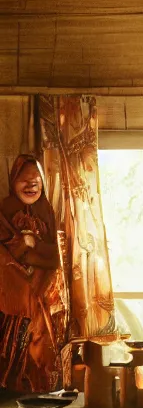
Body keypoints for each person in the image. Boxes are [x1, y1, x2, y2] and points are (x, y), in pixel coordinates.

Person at [0, 154, 63, 392]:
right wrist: (23, 251)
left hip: (42, 290)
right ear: (12, 180)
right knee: (12, 341)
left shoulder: (47, 211)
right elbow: (8, 251)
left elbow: (57, 255)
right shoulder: (5, 210)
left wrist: (32, 245)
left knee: (40, 341)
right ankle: (10, 390)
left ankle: (40, 390)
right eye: (24, 180)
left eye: (37, 180)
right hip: (12, 291)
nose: (31, 185)